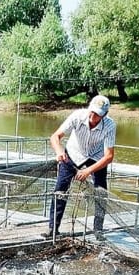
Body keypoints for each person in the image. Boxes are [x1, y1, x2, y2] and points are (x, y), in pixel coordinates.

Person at [47, 94, 116, 236]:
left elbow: (109, 156)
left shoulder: (110, 125)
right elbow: (55, 136)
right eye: (92, 111)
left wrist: (88, 171)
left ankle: (98, 230)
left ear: (104, 115)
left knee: (100, 193)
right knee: (60, 190)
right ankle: (53, 228)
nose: (93, 116)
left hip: (96, 157)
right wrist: (59, 151)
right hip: (73, 153)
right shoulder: (77, 116)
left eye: (97, 114)